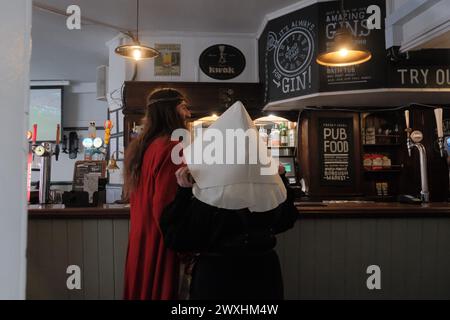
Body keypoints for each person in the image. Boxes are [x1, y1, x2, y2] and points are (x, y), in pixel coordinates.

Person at [160, 101, 298, 300]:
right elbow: (286, 220)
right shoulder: (271, 184)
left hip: (218, 277)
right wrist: (281, 179)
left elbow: (177, 238)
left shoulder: (208, 193)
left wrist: (183, 193)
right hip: (264, 274)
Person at [123, 88, 191, 300]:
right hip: (161, 244)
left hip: (141, 239)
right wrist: (185, 250)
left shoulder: (142, 146)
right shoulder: (172, 147)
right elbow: (166, 207)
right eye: (183, 107)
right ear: (169, 111)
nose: (188, 114)